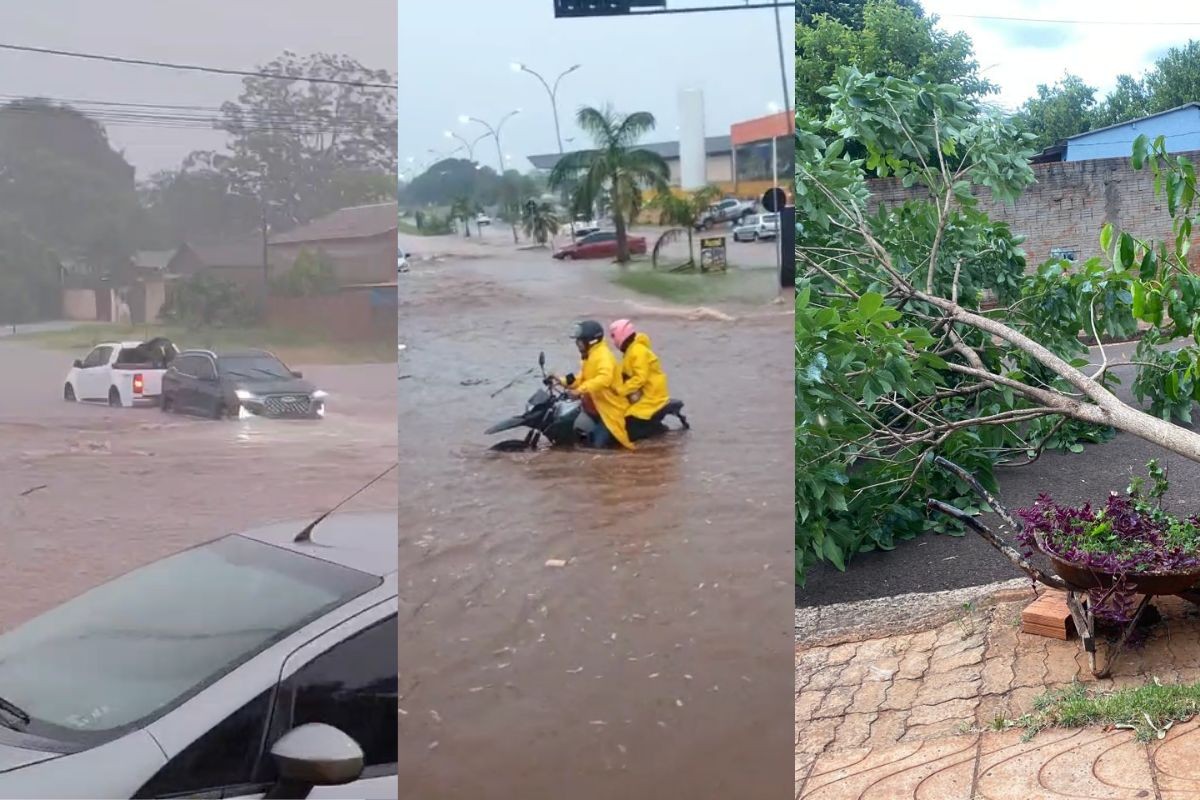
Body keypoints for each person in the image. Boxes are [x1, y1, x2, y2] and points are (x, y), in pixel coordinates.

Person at [558, 320, 634, 450]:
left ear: (590, 341)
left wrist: (580, 391)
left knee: (595, 448)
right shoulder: (590, 356)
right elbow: (581, 378)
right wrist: (561, 380)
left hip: (610, 410)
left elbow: (604, 379)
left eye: (580, 341)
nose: (577, 344)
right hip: (595, 407)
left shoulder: (604, 356)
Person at [608, 319, 671, 441]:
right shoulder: (631, 351)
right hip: (644, 394)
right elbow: (625, 371)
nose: (613, 341)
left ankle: (659, 434)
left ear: (621, 334)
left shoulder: (638, 351)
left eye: (613, 336)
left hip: (652, 397)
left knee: (629, 425)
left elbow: (639, 378)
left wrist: (621, 390)